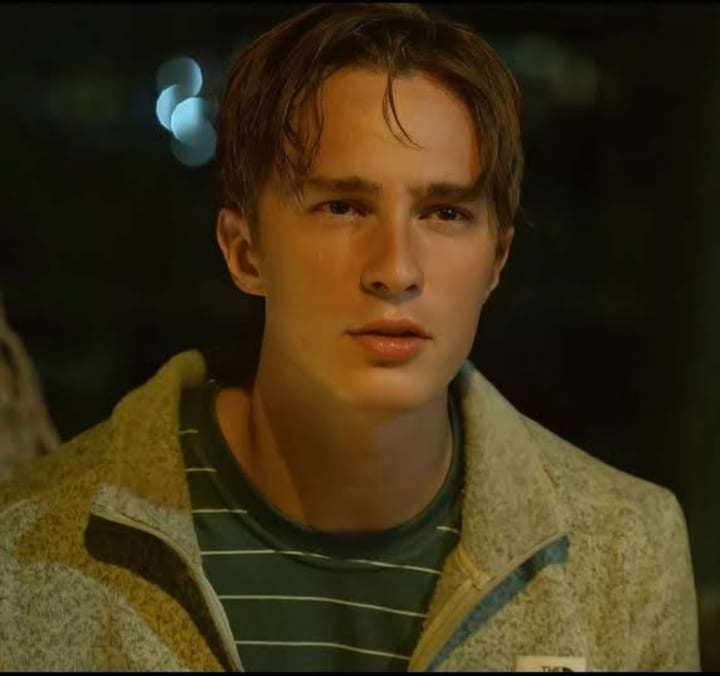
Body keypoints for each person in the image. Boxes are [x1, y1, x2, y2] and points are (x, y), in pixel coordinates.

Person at [0, 3, 700, 671]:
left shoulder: (623, 549)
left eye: (445, 213)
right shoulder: (28, 544)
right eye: (342, 207)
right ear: (245, 251)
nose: (396, 269)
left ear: (497, 260)